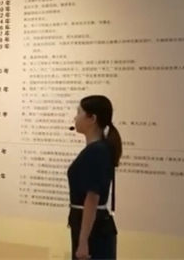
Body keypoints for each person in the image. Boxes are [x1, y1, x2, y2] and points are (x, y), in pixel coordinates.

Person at [68, 95, 121, 260]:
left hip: (93, 229)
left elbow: (92, 197)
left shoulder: (96, 151)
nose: (75, 118)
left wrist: (83, 241)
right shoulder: (98, 149)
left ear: (92, 118)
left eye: (79, 113)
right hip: (92, 225)